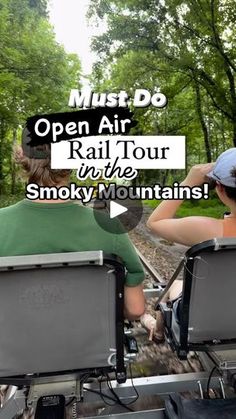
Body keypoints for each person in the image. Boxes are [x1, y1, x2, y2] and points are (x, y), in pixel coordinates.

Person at [0, 128, 145, 321]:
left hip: (12, 349)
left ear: (22, 159)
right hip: (91, 348)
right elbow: (134, 310)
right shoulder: (108, 225)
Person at [144, 148, 236, 340]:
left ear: (219, 188)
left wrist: (188, 182)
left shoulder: (208, 230)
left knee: (175, 285)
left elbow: (154, 222)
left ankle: (158, 332)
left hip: (212, 319)